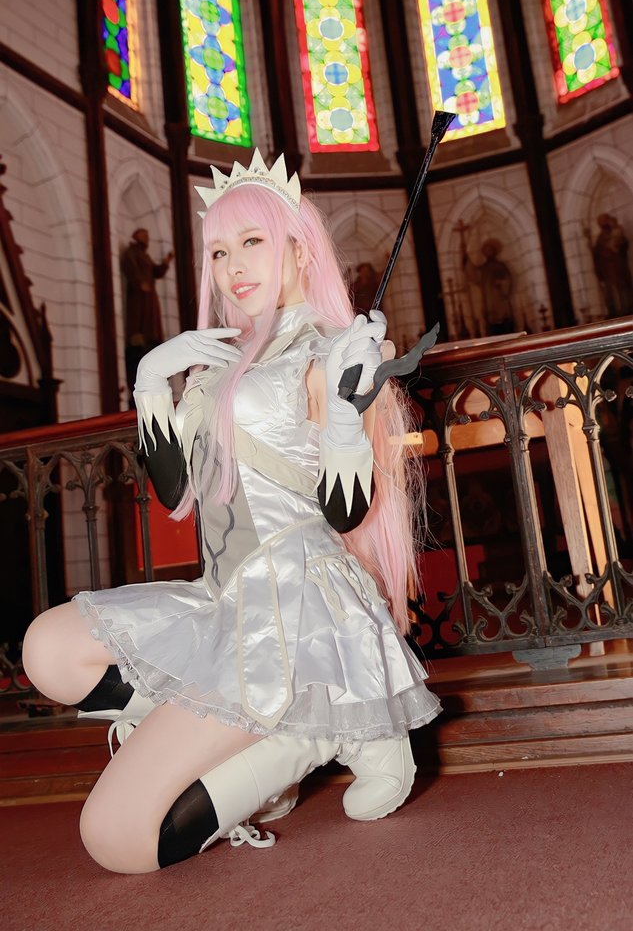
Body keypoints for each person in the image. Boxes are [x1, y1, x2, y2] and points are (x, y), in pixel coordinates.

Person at [22, 149, 440, 874]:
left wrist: (346, 411)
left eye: (252, 242)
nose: (232, 266)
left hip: (293, 609)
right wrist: (150, 382)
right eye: (218, 251)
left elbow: (345, 514)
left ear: (300, 252)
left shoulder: (330, 350)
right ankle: (276, 728)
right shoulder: (218, 358)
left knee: (117, 839)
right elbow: (175, 492)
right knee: (48, 651)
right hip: (224, 600)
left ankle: (311, 731)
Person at [121, 228, 174, 399]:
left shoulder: (145, 255)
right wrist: (139, 283)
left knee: (151, 321)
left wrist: (166, 261)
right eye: (144, 236)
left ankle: (151, 338)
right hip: (138, 295)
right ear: (136, 237)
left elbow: (156, 272)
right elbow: (129, 267)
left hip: (149, 295)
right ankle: (138, 337)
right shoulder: (131, 252)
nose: (147, 239)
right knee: (140, 317)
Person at [464, 238, 515, 336]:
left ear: (494, 251)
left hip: (500, 302)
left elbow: (508, 280)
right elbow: (474, 274)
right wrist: (466, 259)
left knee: (505, 327)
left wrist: (502, 283)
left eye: (490, 250)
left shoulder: (500, 266)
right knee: (492, 330)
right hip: (489, 303)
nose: (488, 252)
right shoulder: (483, 269)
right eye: (486, 251)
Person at [592, 213, 633, 318]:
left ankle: (627, 310)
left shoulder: (616, 231)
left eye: (603, 221)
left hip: (619, 267)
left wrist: (613, 248)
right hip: (607, 271)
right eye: (600, 222)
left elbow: (622, 245)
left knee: (623, 290)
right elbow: (597, 254)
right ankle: (614, 312)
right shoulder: (600, 237)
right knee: (610, 293)